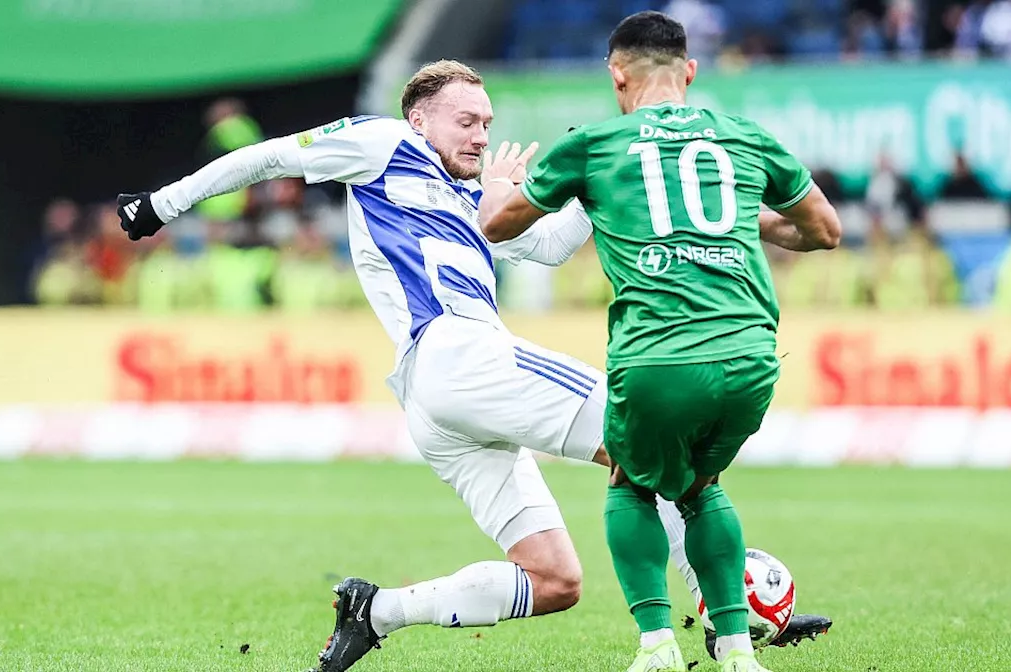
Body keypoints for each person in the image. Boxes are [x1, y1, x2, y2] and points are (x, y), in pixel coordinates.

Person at [117, 60, 724, 672]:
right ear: (418, 118)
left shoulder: (474, 194)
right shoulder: (385, 142)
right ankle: (731, 614)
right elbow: (266, 157)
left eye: (486, 123)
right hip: (455, 352)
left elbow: (546, 247)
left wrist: (588, 187)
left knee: (554, 580)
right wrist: (161, 204)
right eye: (465, 121)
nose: (481, 136)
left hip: (440, 398)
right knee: (647, 436)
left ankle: (377, 611)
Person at [480, 12, 841, 672]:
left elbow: (498, 227)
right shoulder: (744, 138)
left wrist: (497, 185)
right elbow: (823, 230)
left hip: (660, 355)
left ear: (617, 76)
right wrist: (733, 219)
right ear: (692, 72)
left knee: (629, 480)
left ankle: (656, 647)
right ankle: (738, 652)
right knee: (702, 486)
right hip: (751, 354)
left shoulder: (596, 144)